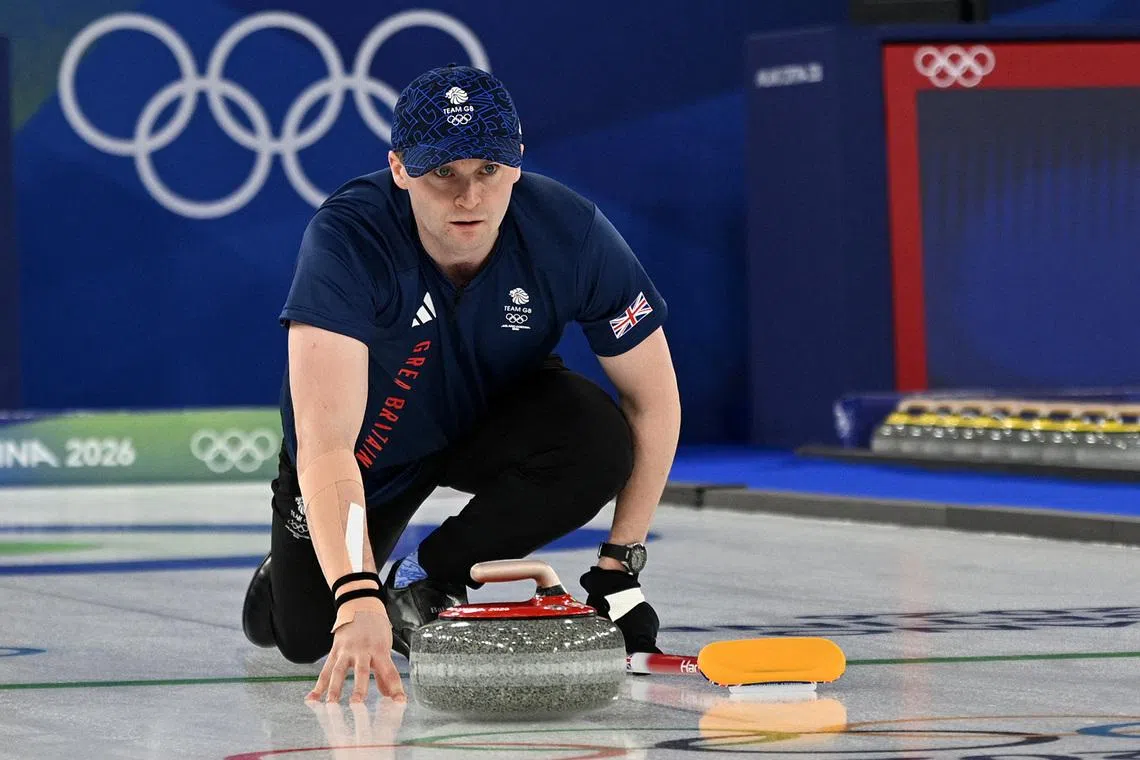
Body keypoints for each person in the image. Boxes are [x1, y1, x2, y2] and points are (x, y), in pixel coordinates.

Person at [241, 64, 681, 704]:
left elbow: (654, 401)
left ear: (518, 164)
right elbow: (326, 439)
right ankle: (286, 578)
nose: (468, 197)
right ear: (399, 170)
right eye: (442, 173)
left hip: (489, 418)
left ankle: (426, 576)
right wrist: (357, 597)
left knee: (597, 439)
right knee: (306, 634)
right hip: (372, 452)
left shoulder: (572, 233)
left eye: (488, 171)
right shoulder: (347, 238)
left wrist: (620, 568)